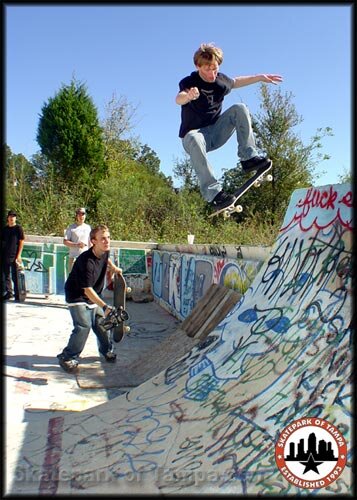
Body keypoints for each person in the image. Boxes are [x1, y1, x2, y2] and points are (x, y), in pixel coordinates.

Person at [176, 43, 283, 210]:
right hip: (195, 138)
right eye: (207, 69)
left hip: (216, 133)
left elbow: (236, 81)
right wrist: (188, 96)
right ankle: (214, 194)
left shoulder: (221, 80)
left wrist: (259, 77)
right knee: (194, 137)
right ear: (198, 66)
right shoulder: (189, 82)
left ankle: (248, 158)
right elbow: (179, 98)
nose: (212, 73)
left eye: (215, 69)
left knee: (239, 109)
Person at [57, 224, 122, 372]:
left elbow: (107, 260)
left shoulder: (105, 251)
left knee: (101, 325)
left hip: (93, 295)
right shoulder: (87, 262)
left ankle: (106, 350)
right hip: (77, 296)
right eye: (102, 239)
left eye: (108, 238)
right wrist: (105, 307)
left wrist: (113, 268)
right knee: (84, 326)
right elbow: (87, 290)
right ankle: (67, 357)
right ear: (93, 241)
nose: (107, 241)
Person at [2, 210, 25, 301]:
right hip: (5, 255)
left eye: (13, 216)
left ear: (15, 218)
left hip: (14, 255)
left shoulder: (18, 228)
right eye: (10, 216)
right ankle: (9, 292)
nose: (12, 218)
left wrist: (19, 255)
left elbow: (21, 241)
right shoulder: (5, 229)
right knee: (6, 275)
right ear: (8, 218)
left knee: (15, 275)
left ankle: (18, 293)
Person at [63, 207, 92, 272]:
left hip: (85, 258)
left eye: (83, 214)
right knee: (73, 280)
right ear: (76, 215)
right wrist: (77, 245)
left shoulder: (88, 228)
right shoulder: (71, 227)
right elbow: (65, 241)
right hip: (74, 258)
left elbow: (90, 243)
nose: (81, 216)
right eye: (79, 214)